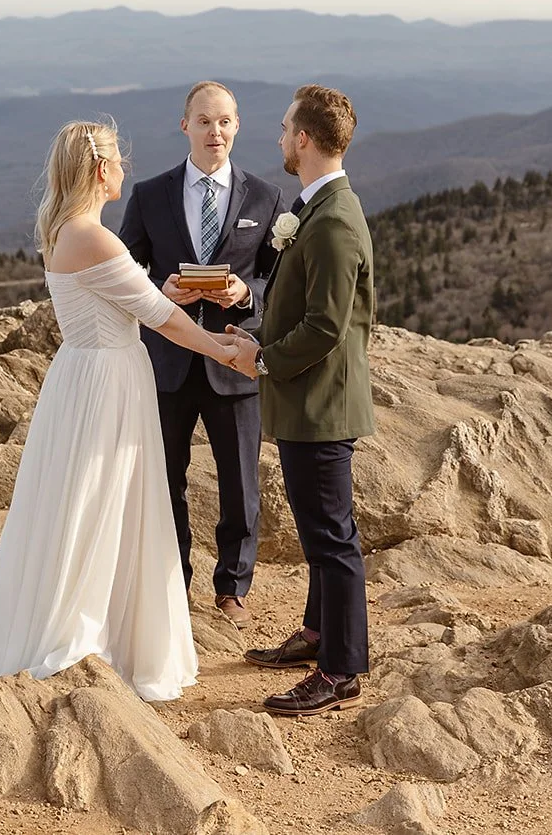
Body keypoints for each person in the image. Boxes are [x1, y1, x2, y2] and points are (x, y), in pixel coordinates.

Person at [0, 119, 240, 702]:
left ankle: (79, 613)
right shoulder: (95, 236)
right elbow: (159, 320)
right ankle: (93, 629)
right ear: (101, 171)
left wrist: (162, 293)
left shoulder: (62, 229)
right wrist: (225, 349)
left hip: (83, 373)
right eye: (120, 161)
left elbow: (127, 298)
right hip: (108, 380)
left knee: (82, 499)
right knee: (105, 499)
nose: (126, 170)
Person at [224, 84, 376, 717]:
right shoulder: (316, 209)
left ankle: (341, 671)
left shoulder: (336, 222)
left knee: (332, 538)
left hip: (322, 406)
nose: (280, 137)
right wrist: (255, 333)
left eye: (287, 128)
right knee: (321, 531)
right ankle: (317, 634)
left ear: (305, 140)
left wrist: (259, 359)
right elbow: (297, 308)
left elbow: (325, 327)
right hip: (308, 402)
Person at [118, 81, 288, 627]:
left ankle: (233, 588)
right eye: (204, 121)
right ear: (184, 125)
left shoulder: (265, 197)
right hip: (166, 359)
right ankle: (174, 582)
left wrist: (246, 295)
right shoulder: (149, 195)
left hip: (233, 359)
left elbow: (277, 277)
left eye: (225, 122)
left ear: (237, 127)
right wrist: (161, 293)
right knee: (166, 478)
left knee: (241, 481)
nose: (216, 132)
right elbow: (125, 271)